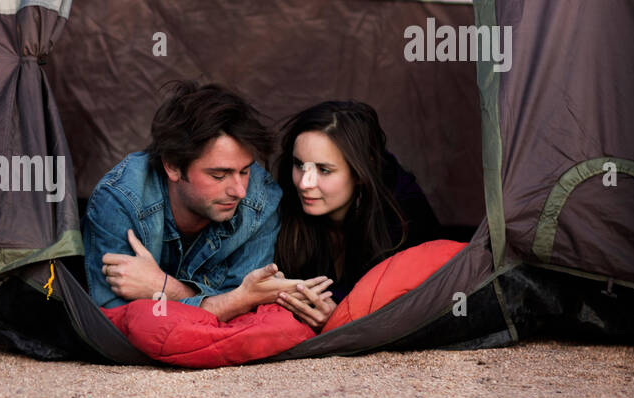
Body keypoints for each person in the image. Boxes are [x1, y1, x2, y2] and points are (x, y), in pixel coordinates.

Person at [83, 81, 327, 322]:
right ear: (173, 166)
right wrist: (231, 301)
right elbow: (113, 323)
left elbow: (243, 314)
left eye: (244, 171)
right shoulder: (120, 199)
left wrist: (163, 287)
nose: (240, 191)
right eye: (219, 175)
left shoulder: (261, 198)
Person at [272, 100, 442, 330]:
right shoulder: (283, 200)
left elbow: (417, 303)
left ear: (361, 172)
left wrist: (341, 316)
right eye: (299, 165)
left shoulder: (401, 213)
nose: (304, 183)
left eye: (324, 170)